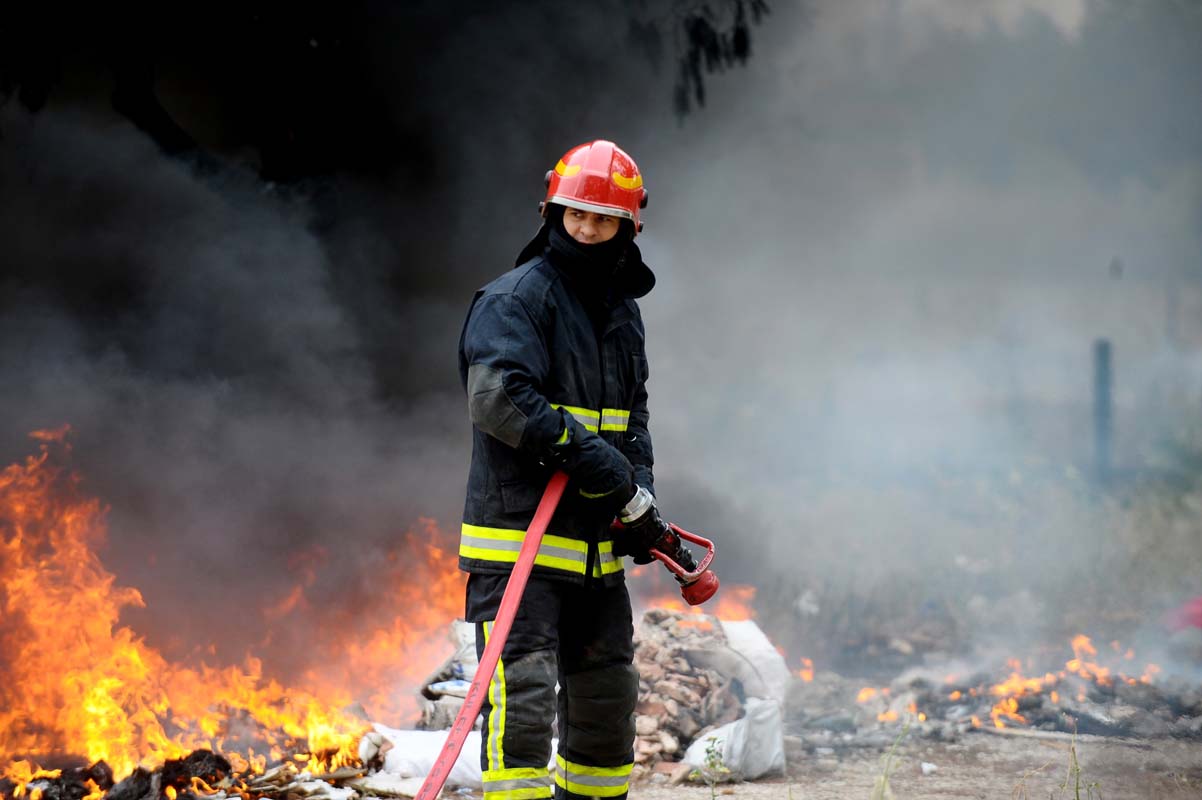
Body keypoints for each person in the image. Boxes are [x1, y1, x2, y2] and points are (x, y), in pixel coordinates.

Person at [456, 140, 673, 800]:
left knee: (608, 706)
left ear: (626, 227)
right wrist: (600, 466)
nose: (585, 229)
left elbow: (631, 420)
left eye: (601, 220)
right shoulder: (516, 300)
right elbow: (499, 400)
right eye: (574, 215)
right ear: (551, 212)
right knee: (522, 707)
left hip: (596, 554)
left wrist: (640, 498)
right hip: (520, 544)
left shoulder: (621, 313)